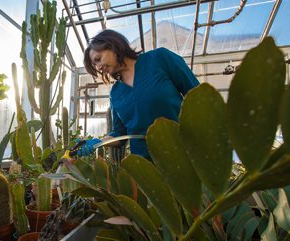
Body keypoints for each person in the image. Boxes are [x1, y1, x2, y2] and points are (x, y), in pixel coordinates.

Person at [77, 29, 199, 160]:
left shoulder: (160, 59)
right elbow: (120, 133)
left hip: (184, 155)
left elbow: (196, 96)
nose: (99, 67)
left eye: (98, 59)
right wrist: (98, 143)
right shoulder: (116, 93)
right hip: (146, 168)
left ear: (112, 45)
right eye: (95, 65)